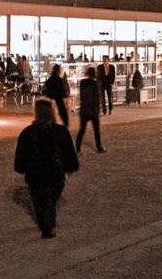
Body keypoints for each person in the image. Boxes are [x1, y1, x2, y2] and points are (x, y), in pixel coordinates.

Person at [14, 97, 80, 239]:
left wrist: (24, 168)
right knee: (50, 200)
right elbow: (71, 157)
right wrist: (69, 169)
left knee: (39, 200)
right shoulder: (61, 132)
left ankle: (45, 225)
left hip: (35, 175)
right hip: (55, 174)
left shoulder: (27, 133)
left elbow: (19, 162)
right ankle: (48, 226)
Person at [75, 67, 106, 153]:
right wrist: (99, 108)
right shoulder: (95, 84)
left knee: (82, 129)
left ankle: (77, 147)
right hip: (93, 110)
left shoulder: (82, 83)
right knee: (96, 130)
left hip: (84, 109)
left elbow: (82, 96)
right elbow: (97, 97)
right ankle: (99, 146)